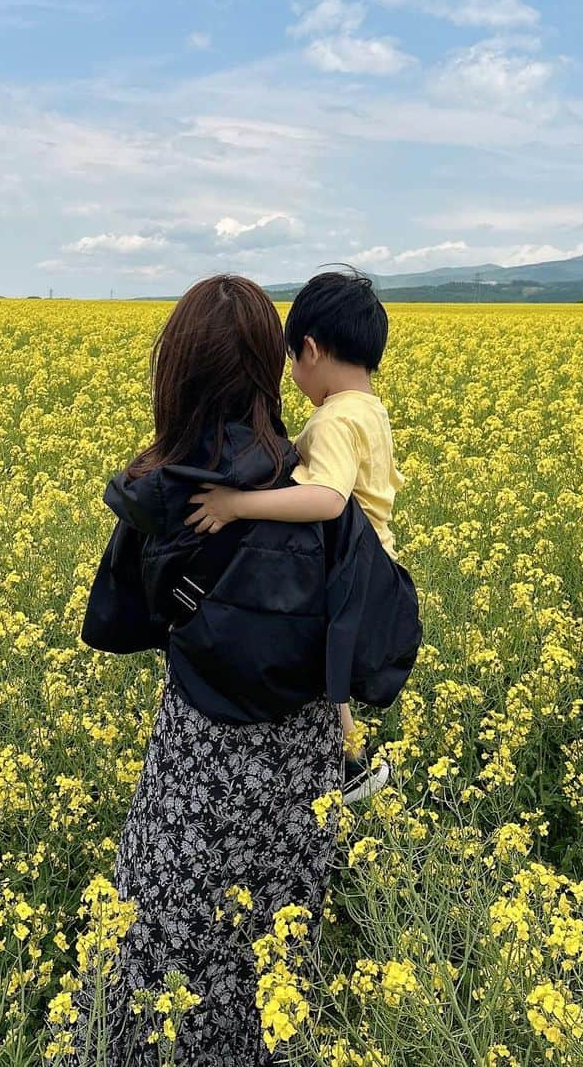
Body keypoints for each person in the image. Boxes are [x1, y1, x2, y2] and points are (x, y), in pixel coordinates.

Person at [76, 274, 420, 1066]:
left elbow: (123, 620)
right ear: (274, 362)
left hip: (197, 754)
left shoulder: (167, 484)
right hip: (299, 760)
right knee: (273, 941)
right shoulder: (300, 470)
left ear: (179, 370)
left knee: (166, 929)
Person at [186, 268, 406, 804]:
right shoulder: (370, 410)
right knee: (331, 663)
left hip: (345, 563)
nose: (289, 374)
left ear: (310, 349)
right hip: (371, 558)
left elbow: (326, 498)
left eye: (290, 360)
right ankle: (351, 756)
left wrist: (236, 505)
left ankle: (348, 763)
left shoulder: (334, 420)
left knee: (320, 656)